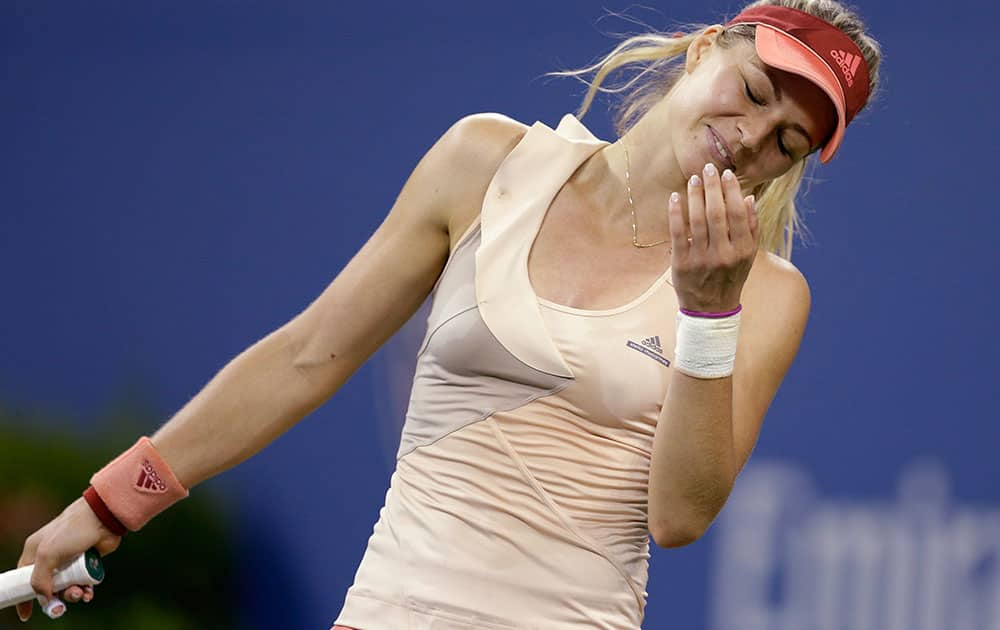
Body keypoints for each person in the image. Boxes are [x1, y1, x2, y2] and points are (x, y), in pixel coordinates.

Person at [15, 0, 881, 627]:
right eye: (757, 88)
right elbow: (307, 355)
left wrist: (707, 313)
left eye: (788, 142)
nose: (754, 135)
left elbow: (680, 518)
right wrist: (108, 505)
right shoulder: (484, 160)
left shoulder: (764, 295)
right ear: (701, 51)